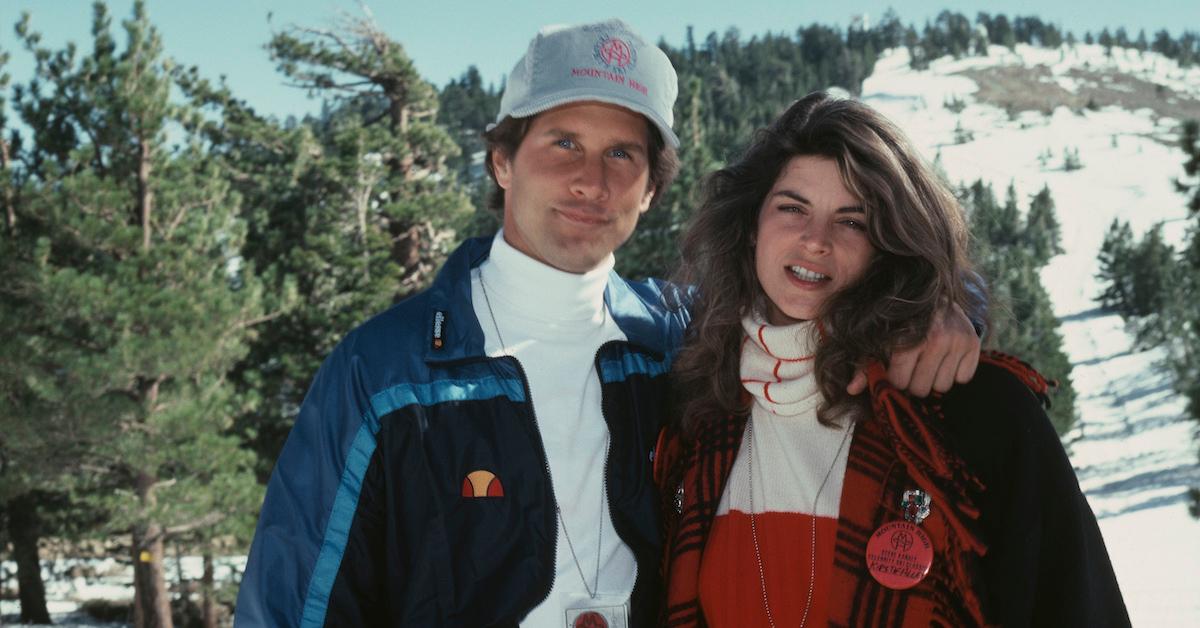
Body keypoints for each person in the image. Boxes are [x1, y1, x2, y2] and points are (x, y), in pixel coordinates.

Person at [234, 21, 981, 627]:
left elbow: (825, 289)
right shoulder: (388, 372)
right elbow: (296, 601)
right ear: (502, 160)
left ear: (653, 188)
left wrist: (945, 313)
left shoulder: (678, 338)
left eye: (623, 153)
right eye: (563, 142)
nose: (592, 180)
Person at [654, 91, 1130, 627]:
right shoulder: (698, 411)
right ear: (749, 229)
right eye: (792, 207)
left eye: (852, 221)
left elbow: (1078, 610)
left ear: (891, 246)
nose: (815, 240)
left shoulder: (970, 411)